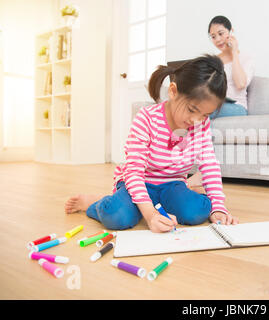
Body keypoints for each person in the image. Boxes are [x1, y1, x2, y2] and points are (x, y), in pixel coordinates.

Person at [64, 55, 239, 232]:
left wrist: (218, 207)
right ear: (173, 91)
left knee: (197, 212)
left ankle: (160, 202)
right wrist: (150, 215)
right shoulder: (146, 118)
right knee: (117, 217)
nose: (196, 120)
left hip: (172, 185)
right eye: (192, 110)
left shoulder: (201, 125)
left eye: (205, 115)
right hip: (138, 182)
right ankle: (95, 202)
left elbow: (209, 164)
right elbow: (134, 172)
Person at [187, 15, 254, 188]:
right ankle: (173, 168)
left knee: (201, 112)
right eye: (213, 36)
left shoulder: (245, 58)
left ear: (231, 32)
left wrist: (235, 53)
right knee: (193, 112)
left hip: (236, 107)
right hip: (213, 103)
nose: (217, 39)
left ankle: (204, 171)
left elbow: (240, 84)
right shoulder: (213, 61)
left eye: (221, 33)